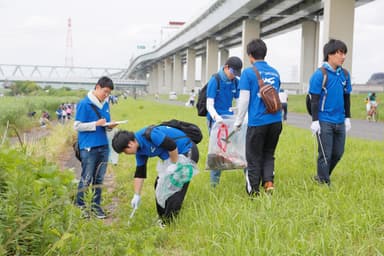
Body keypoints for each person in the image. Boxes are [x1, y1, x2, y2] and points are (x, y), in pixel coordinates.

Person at [111, 125, 199, 227]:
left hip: (187, 150)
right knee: (159, 184)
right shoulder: (139, 151)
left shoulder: (150, 135)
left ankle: (169, 223)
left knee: (175, 186)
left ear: (130, 144)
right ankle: (162, 217)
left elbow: (172, 146)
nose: (126, 154)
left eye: (124, 151)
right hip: (173, 157)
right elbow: (140, 173)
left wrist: (175, 166)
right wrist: (137, 195)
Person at [234, 38, 282, 196]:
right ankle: (268, 184)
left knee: (253, 157)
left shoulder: (248, 73)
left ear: (250, 55)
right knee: (268, 153)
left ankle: (253, 192)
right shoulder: (275, 72)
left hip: (257, 122)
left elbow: (244, 100)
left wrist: (238, 122)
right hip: (276, 121)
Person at [308, 39, 352, 185]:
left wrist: (347, 118)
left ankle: (322, 175)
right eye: (340, 53)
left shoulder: (344, 75)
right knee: (325, 154)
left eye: (344, 53)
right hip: (324, 120)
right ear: (329, 55)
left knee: (338, 153)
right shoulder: (320, 74)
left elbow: (347, 97)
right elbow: (314, 100)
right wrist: (315, 121)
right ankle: (324, 182)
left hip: (340, 120)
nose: (343, 56)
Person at [74, 76, 118, 219]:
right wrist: (95, 124)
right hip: (88, 147)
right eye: (105, 91)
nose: (106, 95)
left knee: (99, 179)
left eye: (109, 93)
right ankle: (80, 206)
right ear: (97, 87)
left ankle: (95, 206)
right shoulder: (84, 103)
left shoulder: (105, 104)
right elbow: (77, 126)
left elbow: (105, 125)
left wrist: (110, 126)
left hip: (104, 146)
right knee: (86, 178)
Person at [206, 56, 242, 187]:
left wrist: (240, 117)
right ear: (226, 67)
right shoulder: (215, 80)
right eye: (232, 72)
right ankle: (214, 184)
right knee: (217, 152)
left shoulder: (236, 82)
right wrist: (217, 118)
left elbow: (239, 102)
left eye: (236, 74)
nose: (233, 76)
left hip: (230, 121)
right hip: (216, 122)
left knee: (240, 148)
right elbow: (209, 105)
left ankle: (249, 180)